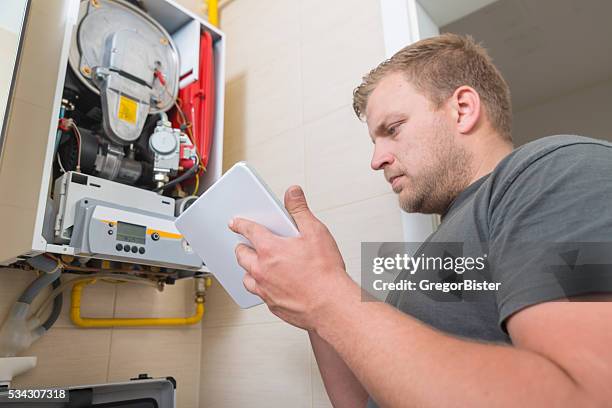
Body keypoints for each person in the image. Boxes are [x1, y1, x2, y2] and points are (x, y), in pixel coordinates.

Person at [228, 33, 612, 407]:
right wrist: (316, 303)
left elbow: (586, 394)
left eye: (392, 130)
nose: (376, 160)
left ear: (462, 109)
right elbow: (366, 401)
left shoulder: (558, 169)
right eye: (374, 142)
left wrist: (327, 295)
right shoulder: (444, 241)